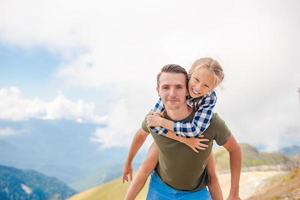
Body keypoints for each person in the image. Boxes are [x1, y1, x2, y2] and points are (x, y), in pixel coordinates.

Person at [123, 64, 241, 200]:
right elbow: (141, 135)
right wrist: (128, 163)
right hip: (160, 189)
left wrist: (234, 192)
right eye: (166, 87)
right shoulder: (155, 118)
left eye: (178, 87)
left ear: (186, 90)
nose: (172, 93)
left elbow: (233, 151)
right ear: (158, 91)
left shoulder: (210, 123)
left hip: (196, 194)